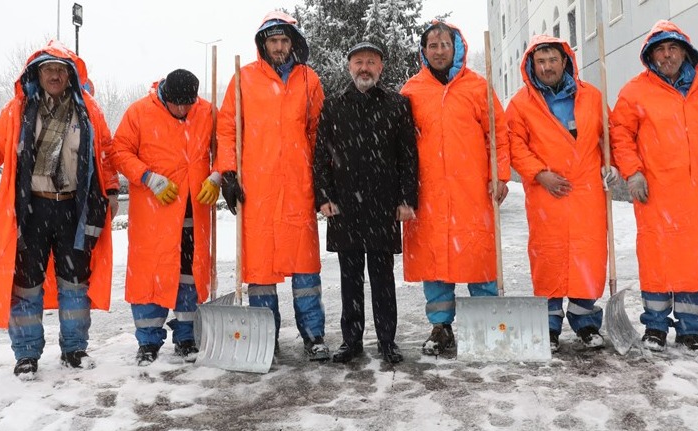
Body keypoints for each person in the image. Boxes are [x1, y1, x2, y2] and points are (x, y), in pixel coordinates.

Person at [0, 40, 119, 378]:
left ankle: (74, 348)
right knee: (26, 284)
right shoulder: (17, 110)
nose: (54, 75)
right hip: (32, 211)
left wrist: (112, 188)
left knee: (74, 282)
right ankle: (26, 353)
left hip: (74, 209)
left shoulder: (89, 110)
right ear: (37, 74)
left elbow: (106, 152)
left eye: (60, 69)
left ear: (70, 75)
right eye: (47, 69)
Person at [610, 20, 698, 357]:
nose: (666, 56)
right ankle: (654, 325)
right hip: (656, 191)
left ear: (685, 52)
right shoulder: (635, 91)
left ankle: (690, 330)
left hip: (697, 195)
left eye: (672, 49)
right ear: (651, 55)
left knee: (694, 261)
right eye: (660, 50)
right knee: (657, 258)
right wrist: (633, 173)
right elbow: (620, 135)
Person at [216, 11, 328, 360]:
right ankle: (268, 337)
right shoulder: (243, 79)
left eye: (284, 41)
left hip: (298, 187)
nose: (279, 47)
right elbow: (227, 130)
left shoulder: (309, 80)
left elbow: (318, 134)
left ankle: (314, 336)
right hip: (258, 190)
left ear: (293, 43)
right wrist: (228, 173)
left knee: (305, 268)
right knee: (260, 269)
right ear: (262, 44)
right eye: (272, 41)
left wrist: (320, 181)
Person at [400, 21, 511, 356]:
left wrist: (499, 175)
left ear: (456, 47)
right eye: (432, 46)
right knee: (435, 261)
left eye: (444, 44)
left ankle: (488, 322)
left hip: (472, 190)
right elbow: (402, 144)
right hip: (429, 191)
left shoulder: (478, 87)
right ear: (424, 51)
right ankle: (441, 326)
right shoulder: (411, 91)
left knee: (479, 256)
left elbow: (498, 135)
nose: (438, 51)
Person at [507, 36, 620, 352]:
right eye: (540, 62)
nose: (546, 67)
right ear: (532, 66)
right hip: (547, 195)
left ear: (564, 61)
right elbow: (515, 145)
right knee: (549, 258)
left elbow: (612, 135)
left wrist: (613, 165)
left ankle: (585, 324)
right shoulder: (520, 104)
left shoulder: (592, 97)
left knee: (588, 257)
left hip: (587, 194)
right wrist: (540, 174)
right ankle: (549, 327)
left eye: (551, 60)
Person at [312, 42, 418, 364]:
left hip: (383, 206)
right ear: (349, 67)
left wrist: (406, 199)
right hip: (345, 207)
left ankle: (387, 341)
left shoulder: (397, 106)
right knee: (350, 278)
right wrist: (324, 197)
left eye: (371, 62)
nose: (364, 68)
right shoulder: (333, 107)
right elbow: (320, 158)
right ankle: (352, 341)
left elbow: (408, 157)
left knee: (383, 280)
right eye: (359, 62)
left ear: (381, 68)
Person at [112, 69, 220, 365]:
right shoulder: (140, 113)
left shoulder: (207, 111)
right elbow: (119, 151)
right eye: (178, 105)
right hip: (154, 216)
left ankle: (187, 336)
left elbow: (225, 146)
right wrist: (148, 177)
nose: (184, 110)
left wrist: (217, 174)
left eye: (189, 104)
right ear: (165, 96)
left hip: (194, 212)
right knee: (151, 275)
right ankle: (148, 341)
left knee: (189, 276)